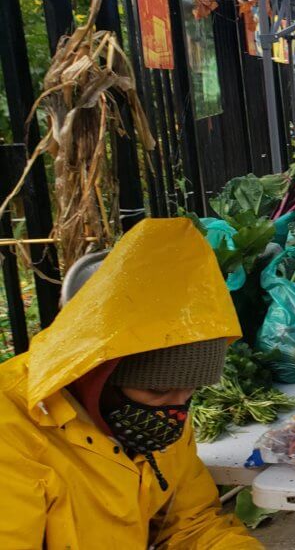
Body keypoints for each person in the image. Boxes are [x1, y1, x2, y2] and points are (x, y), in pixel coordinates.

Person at [0, 218, 261, 548]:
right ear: (98, 374)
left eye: (190, 390)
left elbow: (192, 526)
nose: (175, 410)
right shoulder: (12, 434)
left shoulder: (159, 416)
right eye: (156, 390)